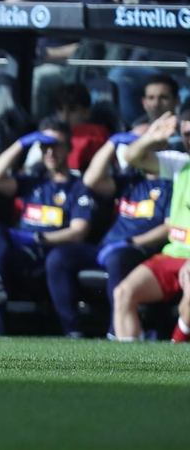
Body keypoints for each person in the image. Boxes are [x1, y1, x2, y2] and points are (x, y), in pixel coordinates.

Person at [40, 130, 172, 338]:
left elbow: (169, 227)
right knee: (58, 258)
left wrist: (130, 241)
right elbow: (91, 180)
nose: (136, 147)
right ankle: (72, 332)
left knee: (117, 259)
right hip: (107, 246)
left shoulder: (171, 181)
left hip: (140, 249)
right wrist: (112, 142)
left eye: (142, 141)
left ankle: (115, 330)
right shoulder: (129, 179)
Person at [0, 120, 94, 338]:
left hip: (53, 251)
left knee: (50, 260)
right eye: (44, 145)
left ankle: (73, 333)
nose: (49, 151)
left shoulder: (79, 185)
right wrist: (21, 143)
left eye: (56, 144)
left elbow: (78, 231)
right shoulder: (34, 180)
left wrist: (39, 238)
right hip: (24, 253)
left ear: (69, 147)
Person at [112, 109, 190, 341]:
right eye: (186, 133)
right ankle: (130, 368)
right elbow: (131, 158)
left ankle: (175, 353)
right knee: (124, 293)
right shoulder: (181, 165)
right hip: (172, 254)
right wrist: (150, 137)